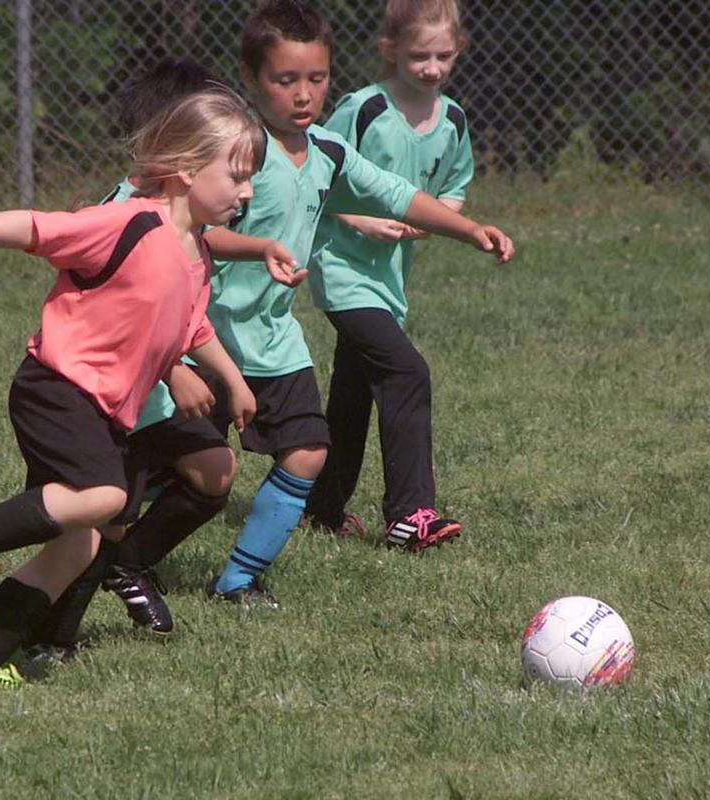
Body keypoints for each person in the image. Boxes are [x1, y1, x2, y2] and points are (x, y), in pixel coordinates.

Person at [0, 88, 265, 686]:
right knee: (104, 497)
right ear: (185, 170)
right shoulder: (130, 221)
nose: (248, 191)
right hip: (56, 387)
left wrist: (232, 380)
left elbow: (190, 326)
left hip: (107, 411)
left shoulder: (198, 256)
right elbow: (41, 227)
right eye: (236, 176)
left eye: (250, 178)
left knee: (77, 549)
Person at [203, 0, 513, 606]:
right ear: (250, 78)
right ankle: (121, 557)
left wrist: (468, 228)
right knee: (189, 477)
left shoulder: (327, 150)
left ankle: (257, 566)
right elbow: (190, 226)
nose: (303, 94)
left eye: (315, 79)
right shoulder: (236, 151)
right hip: (207, 337)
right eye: (285, 79)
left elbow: (397, 193)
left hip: (275, 338)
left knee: (323, 432)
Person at [304, 0, 478, 551]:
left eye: (443, 55)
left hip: (388, 283)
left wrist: (437, 221)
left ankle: (321, 511)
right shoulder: (363, 108)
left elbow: (453, 187)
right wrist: (358, 218)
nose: (431, 67)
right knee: (407, 373)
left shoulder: (451, 119)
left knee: (353, 395)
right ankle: (411, 514)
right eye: (419, 55)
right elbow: (313, 172)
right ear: (390, 53)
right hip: (341, 270)